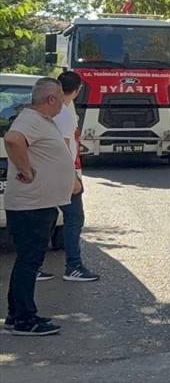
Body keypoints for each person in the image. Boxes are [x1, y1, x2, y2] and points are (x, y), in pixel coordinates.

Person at [3, 78, 76, 335]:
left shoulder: (40, 121)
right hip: (30, 205)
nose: (62, 104)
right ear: (51, 99)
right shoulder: (30, 119)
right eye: (59, 98)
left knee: (27, 261)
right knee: (29, 263)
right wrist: (26, 170)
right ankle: (25, 320)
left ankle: (16, 315)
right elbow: (12, 140)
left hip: (37, 205)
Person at [51, 71, 98, 282]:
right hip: (65, 173)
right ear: (78, 90)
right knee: (74, 219)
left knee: (46, 218)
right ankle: (74, 267)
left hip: (53, 172)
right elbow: (64, 146)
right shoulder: (65, 113)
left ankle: (32, 267)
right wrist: (73, 177)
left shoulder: (56, 107)